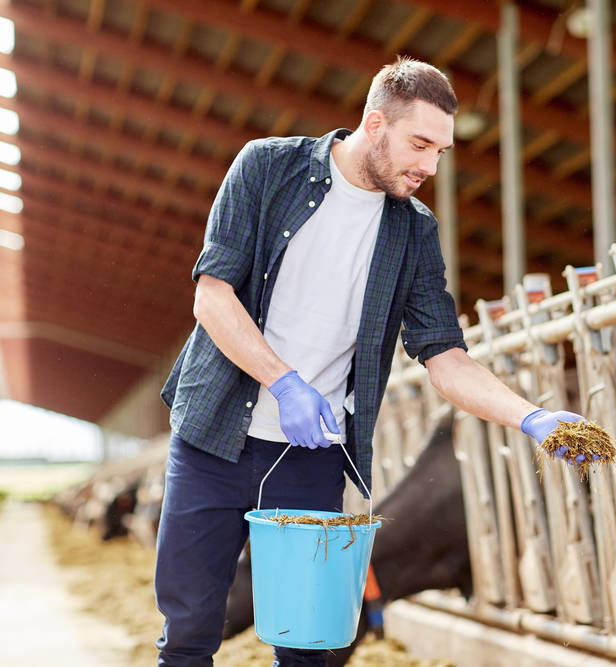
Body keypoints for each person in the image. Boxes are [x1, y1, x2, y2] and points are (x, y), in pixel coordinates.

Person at [154, 56, 591, 667]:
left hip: (308, 459)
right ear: (375, 121)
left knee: (310, 642)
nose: (429, 167)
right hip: (212, 438)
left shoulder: (412, 232)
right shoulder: (267, 167)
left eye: (441, 153)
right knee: (191, 627)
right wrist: (285, 383)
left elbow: (443, 354)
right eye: (420, 145)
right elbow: (212, 295)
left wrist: (531, 417)